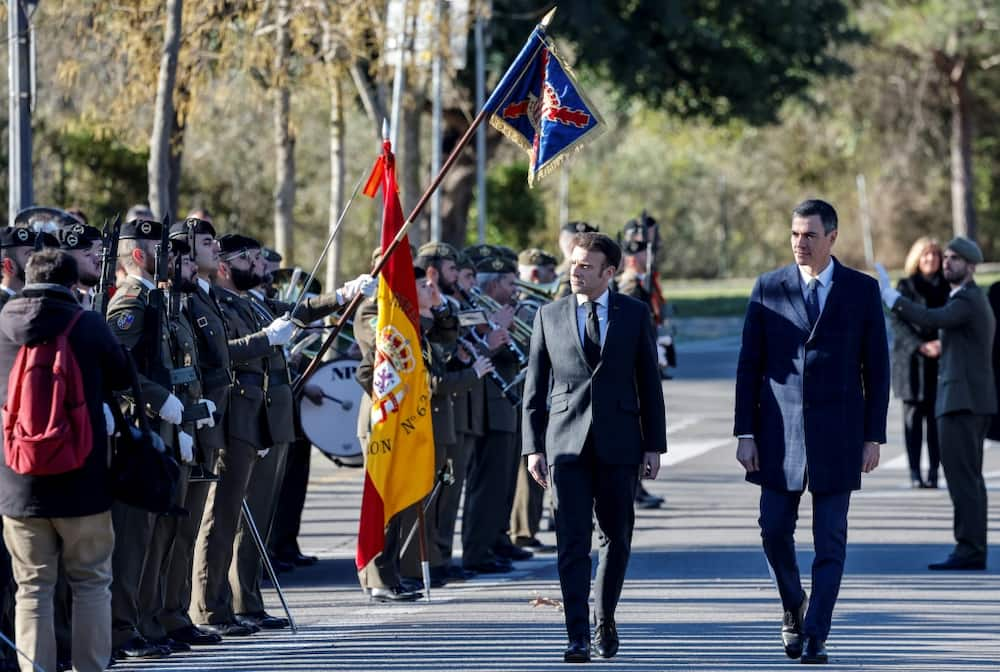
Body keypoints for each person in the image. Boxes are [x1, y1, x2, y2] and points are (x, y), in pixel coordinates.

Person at [735, 199, 889, 665]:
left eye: (810, 236)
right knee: (773, 530)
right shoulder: (769, 287)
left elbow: (876, 368)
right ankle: (792, 606)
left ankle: (817, 632)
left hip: (839, 435)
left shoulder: (861, 290)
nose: (800, 243)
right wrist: (745, 432)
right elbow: (749, 365)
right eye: (795, 235)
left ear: (832, 238)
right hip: (777, 435)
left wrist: (872, 436)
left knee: (831, 539)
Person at [523, 232, 667, 663]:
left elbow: (649, 383)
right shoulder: (549, 315)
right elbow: (534, 389)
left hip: (621, 442)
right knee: (571, 541)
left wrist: (654, 444)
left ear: (610, 272)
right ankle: (577, 634)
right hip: (565, 444)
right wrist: (533, 447)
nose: (576, 270)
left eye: (587, 265)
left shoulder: (635, 314)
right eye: (574, 262)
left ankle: (605, 616)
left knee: (617, 539)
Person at [0, 248, 132, 672]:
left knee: (33, 586)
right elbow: (124, 376)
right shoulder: (87, 324)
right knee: (91, 581)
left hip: (18, 479)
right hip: (81, 477)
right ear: (73, 282)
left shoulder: (2, 323)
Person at [877, 237, 997, 571]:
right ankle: (971, 547)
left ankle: (970, 549)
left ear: (971, 267)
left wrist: (892, 298)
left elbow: (930, 318)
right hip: (966, 400)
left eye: (955, 259)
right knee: (968, 478)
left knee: (963, 480)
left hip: (962, 402)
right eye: (946, 257)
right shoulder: (964, 298)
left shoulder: (967, 299)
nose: (947, 263)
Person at [889, 238, 949, 488]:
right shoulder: (905, 286)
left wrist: (941, 343)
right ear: (917, 258)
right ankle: (915, 473)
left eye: (935, 255)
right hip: (911, 363)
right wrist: (920, 345)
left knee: (936, 422)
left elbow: (951, 318)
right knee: (912, 422)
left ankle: (935, 472)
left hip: (939, 362)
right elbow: (897, 322)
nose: (930, 259)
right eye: (925, 255)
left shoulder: (948, 286)